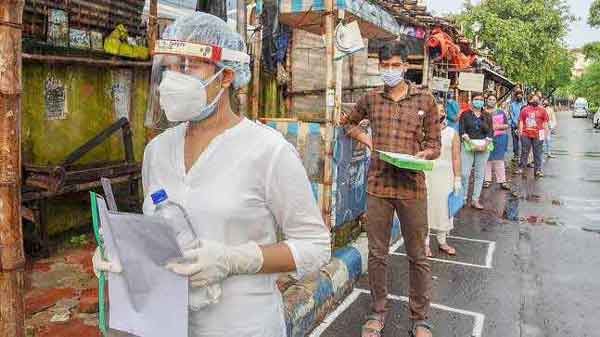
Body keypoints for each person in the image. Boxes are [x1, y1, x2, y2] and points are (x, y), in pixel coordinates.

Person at [92, 12, 331, 337]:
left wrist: (234, 259)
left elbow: (315, 247)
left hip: (242, 326)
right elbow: (162, 236)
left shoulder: (268, 151)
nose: (172, 80)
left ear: (227, 75)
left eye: (187, 67)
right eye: (169, 68)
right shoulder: (157, 151)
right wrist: (123, 253)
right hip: (164, 323)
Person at [342, 43, 440, 337]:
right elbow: (348, 124)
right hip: (378, 186)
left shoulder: (426, 99)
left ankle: (420, 318)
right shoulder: (371, 98)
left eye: (394, 65)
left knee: (418, 256)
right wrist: (367, 140)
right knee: (377, 254)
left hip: (412, 188)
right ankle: (377, 312)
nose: (389, 71)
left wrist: (425, 154)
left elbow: (435, 145)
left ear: (405, 65)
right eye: (384, 65)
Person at [425, 107, 461, 257]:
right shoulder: (424, 132)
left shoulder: (452, 133)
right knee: (426, 208)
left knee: (444, 210)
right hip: (427, 173)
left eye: (440, 110)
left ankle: (442, 242)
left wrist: (457, 178)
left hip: (446, 176)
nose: (437, 113)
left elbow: (456, 157)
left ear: (444, 114)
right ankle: (425, 243)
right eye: (434, 109)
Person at [459, 94, 494, 210]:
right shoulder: (465, 114)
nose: (478, 101)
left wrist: (485, 144)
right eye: (476, 99)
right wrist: (471, 143)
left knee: (479, 174)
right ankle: (463, 198)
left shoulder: (487, 116)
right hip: (468, 145)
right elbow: (462, 130)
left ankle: (475, 200)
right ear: (472, 101)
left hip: (484, 146)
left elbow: (490, 132)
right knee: (464, 173)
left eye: (480, 100)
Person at [516, 94, 549, 177]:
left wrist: (546, 134)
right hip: (525, 134)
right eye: (533, 99)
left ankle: (538, 170)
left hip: (538, 134)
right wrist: (520, 133)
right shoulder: (524, 110)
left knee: (538, 153)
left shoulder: (543, 110)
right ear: (530, 100)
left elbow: (545, 123)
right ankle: (521, 168)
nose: (535, 101)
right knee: (524, 152)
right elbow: (521, 121)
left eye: (537, 99)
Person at [483, 94, 511, 190]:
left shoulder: (501, 112)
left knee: (499, 159)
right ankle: (487, 180)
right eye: (489, 99)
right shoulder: (482, 113)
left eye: (493, 99)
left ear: (496, 101)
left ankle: (502, 181)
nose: (491, 101)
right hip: (485, 138)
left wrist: (497, 126)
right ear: (486, 100)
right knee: (487, 159)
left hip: (500, 138)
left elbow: (507, 125)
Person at [508, 89, 527, 161]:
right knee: (515, 141)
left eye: (520, 94)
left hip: (524, 126)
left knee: (524, 141)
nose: (519, 96)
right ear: (515, 96)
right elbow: (511, 115)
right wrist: (516, 123)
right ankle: (516, 155)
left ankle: (524, 155)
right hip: (514, 126)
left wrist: (522, 124)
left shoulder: (524, 104)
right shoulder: (512, 105)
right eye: (518, 94)